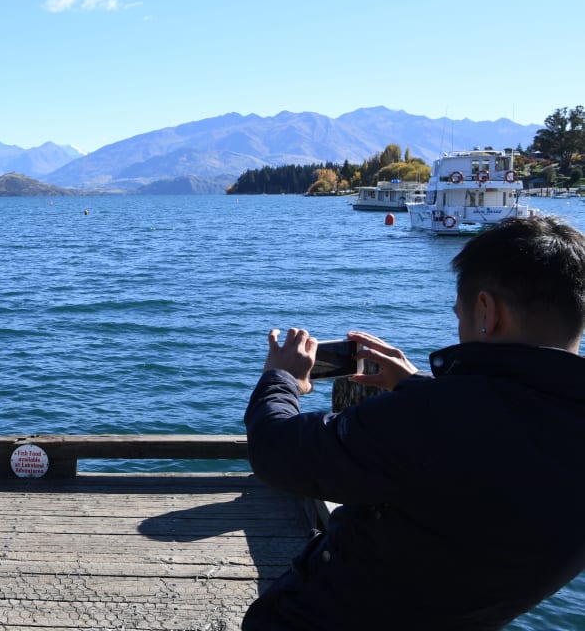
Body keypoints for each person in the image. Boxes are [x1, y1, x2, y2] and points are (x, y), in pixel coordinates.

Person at [242, 216, 585, 630]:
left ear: (486, 311)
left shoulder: (431, 421)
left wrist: (282, 380)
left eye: (460, 315)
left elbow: (276, 450)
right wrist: (420, 386)